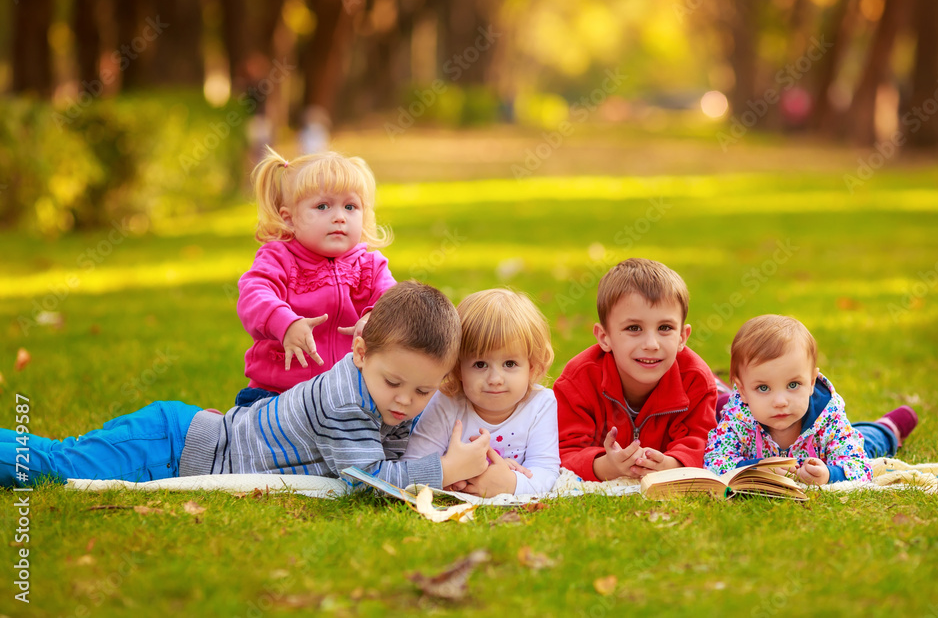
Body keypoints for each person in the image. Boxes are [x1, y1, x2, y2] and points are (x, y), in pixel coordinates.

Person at [1, 282, 495, 492]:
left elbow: (396, 457)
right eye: (394, 383)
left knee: (59, 461)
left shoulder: (382, 395)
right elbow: (366, 481)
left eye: (424, 392)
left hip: (188, 433)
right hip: (171, 447)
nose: (406, 402)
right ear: (360, 351)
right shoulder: (345, 399)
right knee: (54, 465)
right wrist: (447, 469)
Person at [235, 145, 396, 407]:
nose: (339, 217)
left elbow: (394, 300)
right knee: (257, 443)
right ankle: (225, 428)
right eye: (323, 206)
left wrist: (373, 318)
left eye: (350, 206)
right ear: (289, 219)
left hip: (348, 395)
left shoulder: (370, 264)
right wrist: (284, 323)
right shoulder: (278, 258)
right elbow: (254, 294)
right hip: (278, 393)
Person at [555, 258, 719, 481]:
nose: (651, 344)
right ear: (605, 337)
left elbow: (704, 441)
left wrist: (672, 464)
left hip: (709, 390)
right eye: (634, 328)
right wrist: (605, 466)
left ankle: (723, 387)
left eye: (665, 328)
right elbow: (564, 448)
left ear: (682, 337)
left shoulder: (695, 380)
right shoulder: (578, 380)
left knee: (726, 404)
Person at [704, 314, 918, 484]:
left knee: (866, 441)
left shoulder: (828, 416)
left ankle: (889, 427)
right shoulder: (738, 417)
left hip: (828, 447)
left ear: (812, 382)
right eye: (763, 387)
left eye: (793, 385)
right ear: (741, 390)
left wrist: (829, 474)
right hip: (753, 434)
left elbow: (859, 466)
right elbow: (713, 462)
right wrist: (758, 467)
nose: (780, 401)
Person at [403, 289, 560, 497]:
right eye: (480, 364)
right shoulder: (447, 403)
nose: (495, 379)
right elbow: (413, 464)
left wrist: (510, 483)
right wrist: (450, 474)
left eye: (510, 363)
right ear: (458, 368)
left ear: (533, 367)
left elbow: (546, 471)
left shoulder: (540, 404)